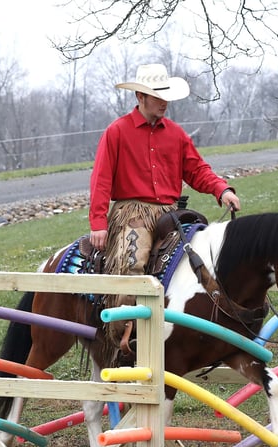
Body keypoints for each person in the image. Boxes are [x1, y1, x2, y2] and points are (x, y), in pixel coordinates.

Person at [88, 63, 241, 317]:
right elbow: (101, 180)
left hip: (171, 214)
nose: (164, 102)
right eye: (157, 96)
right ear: (140, 96)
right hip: (132, 213)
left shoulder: (176, 134)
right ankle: (124, 332)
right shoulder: (117, 132)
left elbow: (197, 170)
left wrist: (222, 190)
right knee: (132, 266)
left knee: (200, 259)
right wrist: (98, 223)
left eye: (165, 96)